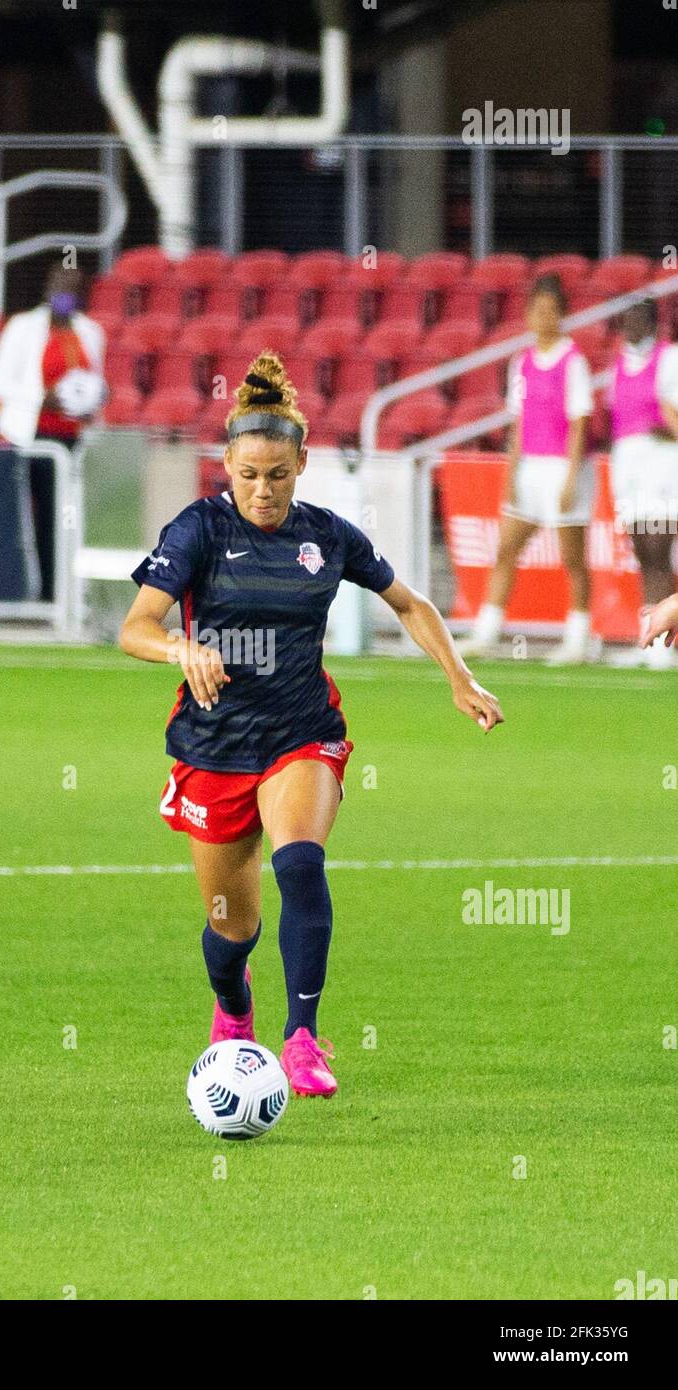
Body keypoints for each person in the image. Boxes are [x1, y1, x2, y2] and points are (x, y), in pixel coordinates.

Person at [119, 354, 504, 1098]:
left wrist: (459, 677)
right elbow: (136, 626)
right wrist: (180, 647)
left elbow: (411, 604)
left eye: (280, 475)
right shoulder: (198, 528)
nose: (263, 490)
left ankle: (302, 1039)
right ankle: (234, 1008)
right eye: (250, 474)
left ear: (302, 465)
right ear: (227, 464)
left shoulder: (327, 537)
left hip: (301, 730)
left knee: (300, 863)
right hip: (214, 744)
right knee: (231, 929)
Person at [459, 274, 595, 664]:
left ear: (562, 315)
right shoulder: (522, 363)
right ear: (528, 314)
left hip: (563, 468)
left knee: (572, 557)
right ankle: (486, 633)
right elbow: (518, 423)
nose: (544, 318)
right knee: (506, 548)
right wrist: (511, 473)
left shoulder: (574, 362)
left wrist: (571, 476)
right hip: (530, 469)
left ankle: (578, 638)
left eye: (552, 311)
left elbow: (580, 420)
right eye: (538, 310)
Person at [0, 263, 106, 600]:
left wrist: (96, 396)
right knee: (30, 515)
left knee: (64, 516)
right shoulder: (23, 327)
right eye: (59, 285)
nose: (65, 293)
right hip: (30, 435)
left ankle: (62, 592)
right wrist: (44, 398)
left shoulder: (91, 331)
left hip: (74, 436)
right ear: (48, 289)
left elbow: (93, 380)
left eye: (73, 286)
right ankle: (29, 589)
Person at [608, 297, 678, 669]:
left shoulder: (669, 358)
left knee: (658, 551)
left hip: (663, 468)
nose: (629, 325)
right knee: (643, 554)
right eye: (626, 318)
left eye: (636, 318)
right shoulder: (619, 363)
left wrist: (663, 433)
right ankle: (649, 638)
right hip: (630, 471)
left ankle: (663, 647)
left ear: (653, 323)